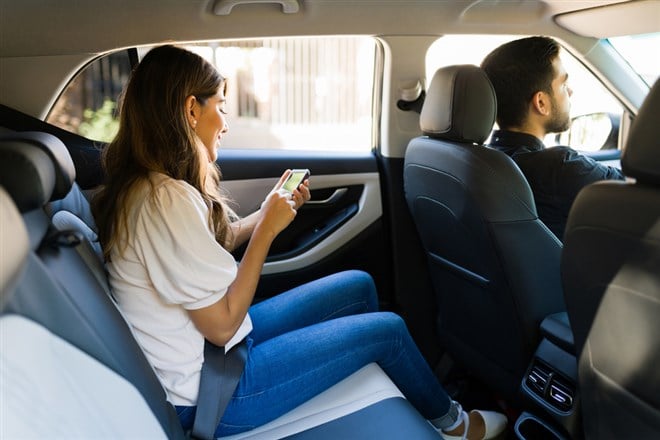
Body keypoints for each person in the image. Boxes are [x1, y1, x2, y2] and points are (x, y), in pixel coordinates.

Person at [92, 44, 507, 440]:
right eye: (220, 106)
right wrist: (268, 232)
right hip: (215, 393)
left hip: (216, 360)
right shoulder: (164, 200)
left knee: (359, 284)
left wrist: (266, 213)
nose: (226, 121)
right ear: (190, 110)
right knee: (390, 331)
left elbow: (207, 247)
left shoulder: (151, 188)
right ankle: (455, 426)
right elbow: (221, 326)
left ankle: (419, 396)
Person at [481, 36, 625, 240]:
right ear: (541, 102)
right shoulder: (559, 168)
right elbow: (636, 194)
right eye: (563, 85)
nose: (571, 91)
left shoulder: (481, 160)